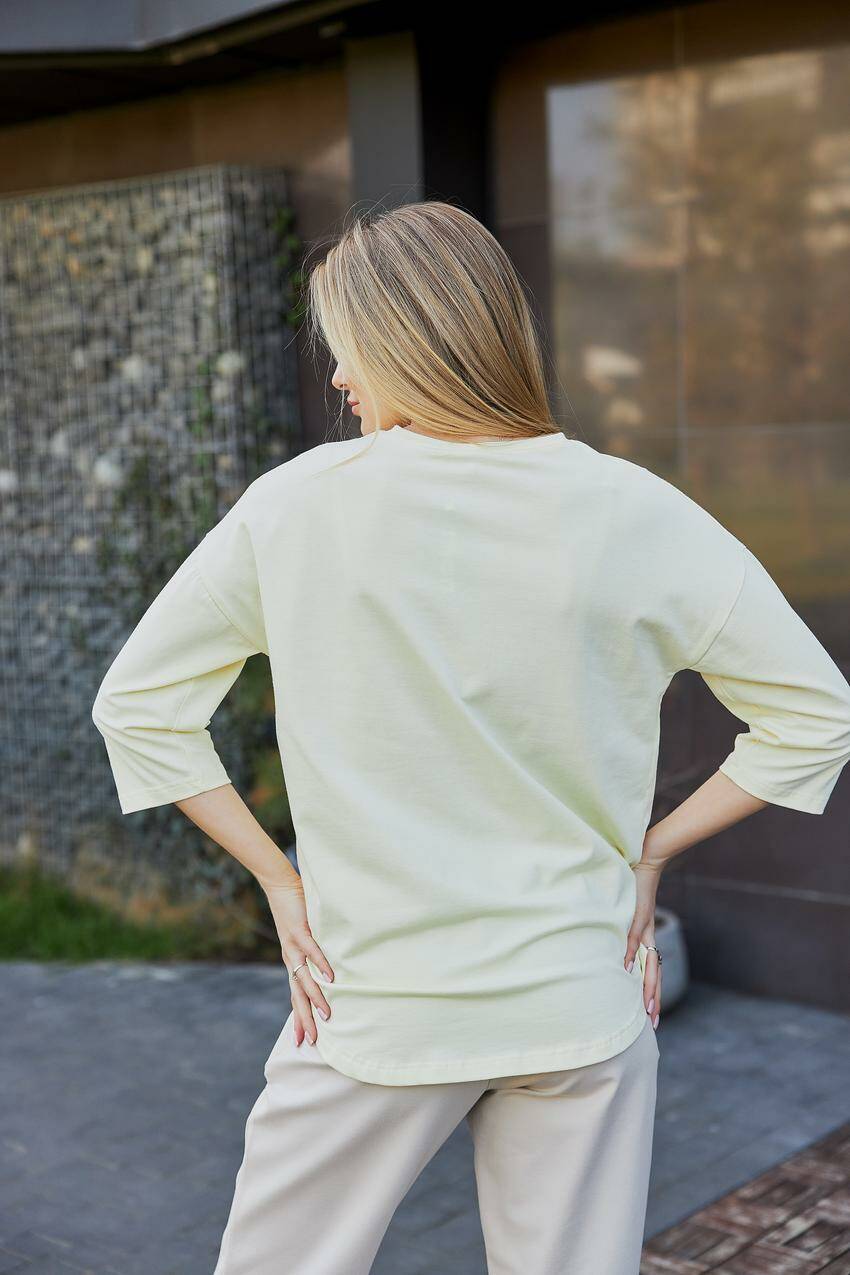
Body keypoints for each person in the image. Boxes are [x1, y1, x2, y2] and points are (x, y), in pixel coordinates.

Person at [91, 201, 850, 1275]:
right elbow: (814, 714)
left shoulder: (295, 508)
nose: (341, 379)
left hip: (375, 1001)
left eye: (349, 349)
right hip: (579, 994)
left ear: (404, 344)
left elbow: (139, 704)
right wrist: (648, 857)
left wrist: (280, 882)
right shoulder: (636, 509)